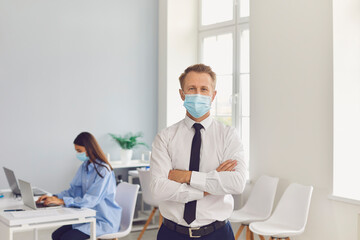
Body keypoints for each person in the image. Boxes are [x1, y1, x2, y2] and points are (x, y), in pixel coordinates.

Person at [150, 63, 247, 239]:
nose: (198, 94)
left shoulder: (228, 136)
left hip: (217, 233)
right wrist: (208, 187)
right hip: (172, 233)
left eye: (204, 89)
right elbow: (158, 188)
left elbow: (237, 183)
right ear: (182, 94)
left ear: (213, 95)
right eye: (191, 89)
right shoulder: (165, 137)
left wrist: (187, 176)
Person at [37, 132, 121, 240]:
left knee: (67, 238)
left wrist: (62, 201)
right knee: (56, 235)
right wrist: (54, 197)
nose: (77, 154)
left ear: (90, 149)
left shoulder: (104, 171)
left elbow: (91, 200)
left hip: (103, 220)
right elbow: (73, 191)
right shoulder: (84, 167)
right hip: (87, 216)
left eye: (79, 151)